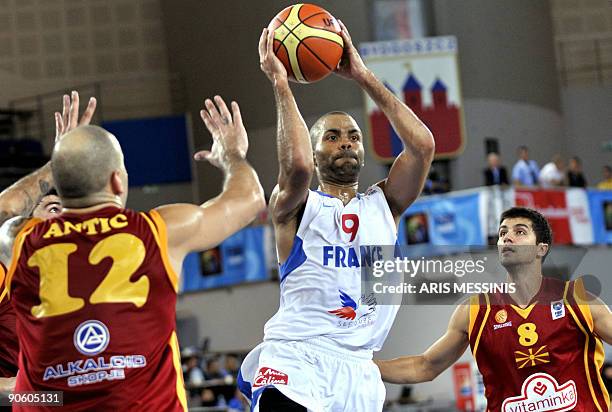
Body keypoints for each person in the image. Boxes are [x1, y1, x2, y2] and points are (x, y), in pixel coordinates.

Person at [3, 95, 265, 410]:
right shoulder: (158, 231)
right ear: (117, 180)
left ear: (59, 183)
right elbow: (249, 199)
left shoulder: (21, 239)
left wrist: (55, 166)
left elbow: (6, 207)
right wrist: (232, 155)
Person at [239, 21, 435, 412]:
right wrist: (281, 84)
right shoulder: (295, 205)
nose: (345, 140)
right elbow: (295, 166)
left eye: (353, 136)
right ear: (315, 153)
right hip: (296, 357)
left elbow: (423, 146)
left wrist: (363, 76)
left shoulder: (385, 204)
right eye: (331, 136)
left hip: (359, 367)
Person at [375, 207, 612, 411]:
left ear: (541, 248)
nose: (507, 238)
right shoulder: (475, 310)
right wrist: (361, 366)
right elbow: (426, 366)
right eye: (502, 233)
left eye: (519, 232)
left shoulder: (577, 299)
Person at [0, 92, 96, 394]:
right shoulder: (5, 273)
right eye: (54, 209)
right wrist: (57, 165)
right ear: (21, 226)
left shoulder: (90, 283)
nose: (63, 220)